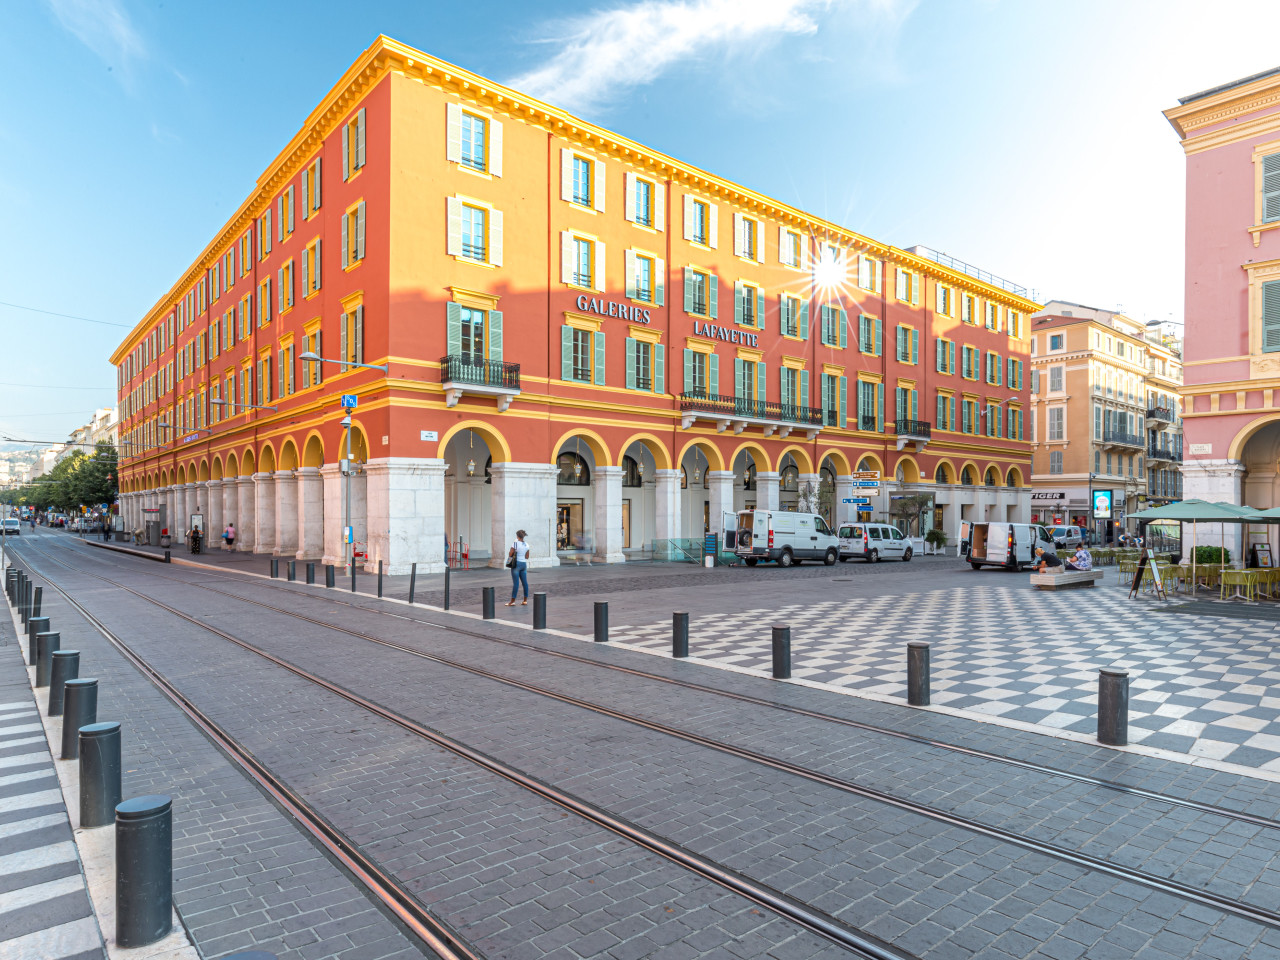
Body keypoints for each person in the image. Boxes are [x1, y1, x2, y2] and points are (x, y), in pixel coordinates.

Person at [506, 529, 530, 606]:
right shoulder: (527, 544)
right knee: (525, 583)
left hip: (516, 564)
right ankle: (525, 600)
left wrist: (513, 551)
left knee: (516, 583)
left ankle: (512, 601)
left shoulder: (515, 543)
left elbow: (510, 554)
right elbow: (527, 557)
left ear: (517, 536)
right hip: (524, 564)